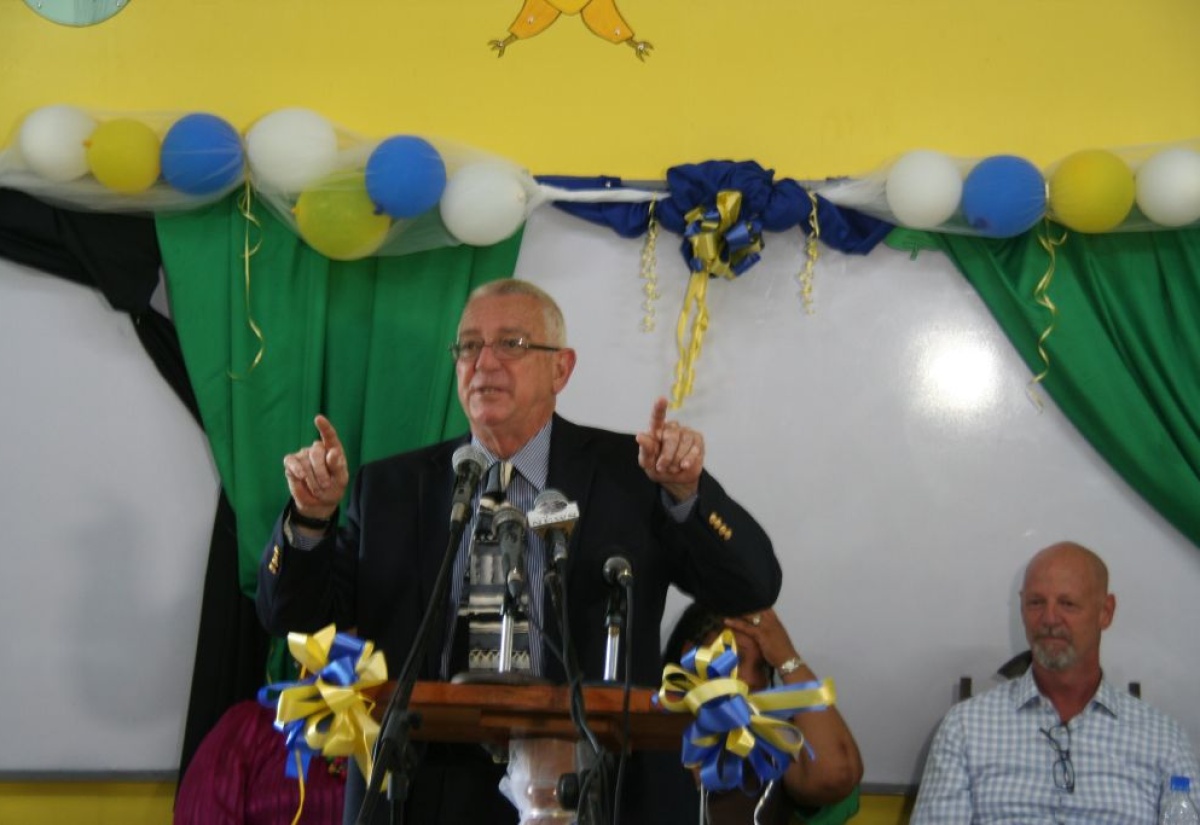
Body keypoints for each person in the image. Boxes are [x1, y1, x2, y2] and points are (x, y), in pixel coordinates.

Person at [256, 278, 782, 824]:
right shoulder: (390, 488)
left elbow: (751, 587)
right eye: (468, 346)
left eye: (511, 343)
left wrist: (686, 495)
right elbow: (290, 616)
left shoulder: (631, 475)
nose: (484, 362)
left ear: (561, 369)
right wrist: (311, 519)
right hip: (422, 790)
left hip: (595, 789)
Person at [911, 540, 1200, 823]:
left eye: (1068, 604)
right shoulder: (966, 729)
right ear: (1022, 608)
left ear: (1106, 612)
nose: (1049, 618)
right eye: (1036, 602)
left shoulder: (1163, 741)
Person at [654, 603, 862, 825]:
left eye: (762, 666)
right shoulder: (640, 727)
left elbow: (836, 775)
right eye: (738, 658)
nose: (752, 680)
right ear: (692, 656)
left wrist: (786, 657)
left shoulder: (772, 743)